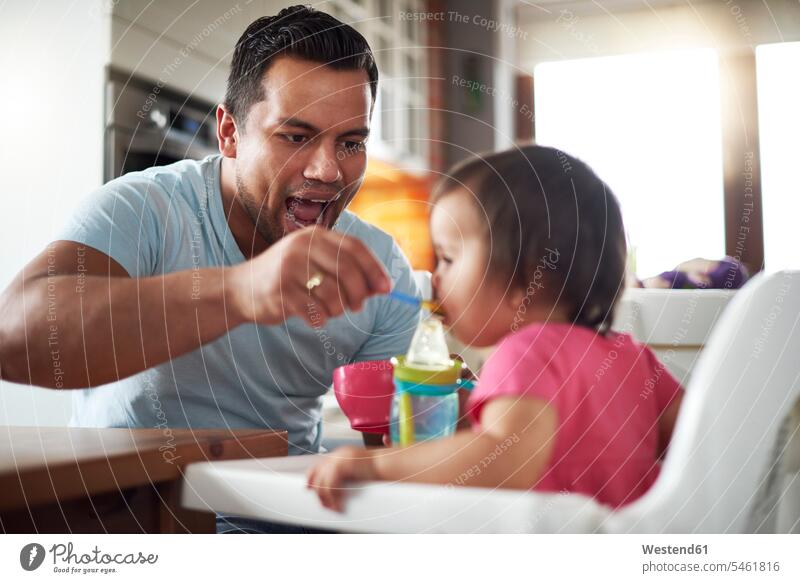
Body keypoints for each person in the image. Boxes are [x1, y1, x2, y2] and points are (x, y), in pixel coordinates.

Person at [0, 6, 420, 532]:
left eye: (351, 142)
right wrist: (240, 291)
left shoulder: (381, 269)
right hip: (130, 529)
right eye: (295, 136)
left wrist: (454, 417)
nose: (327, 171)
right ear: (229, 133)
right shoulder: (142, 209)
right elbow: (14, 339)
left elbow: (397, 462)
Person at [307, 145, 685, 512]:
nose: (436, 278)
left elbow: (501, 457)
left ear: (525, 280)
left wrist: (379, 464)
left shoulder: (525, 350)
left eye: (448, 258)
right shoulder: (633, 357)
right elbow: (696, 442)